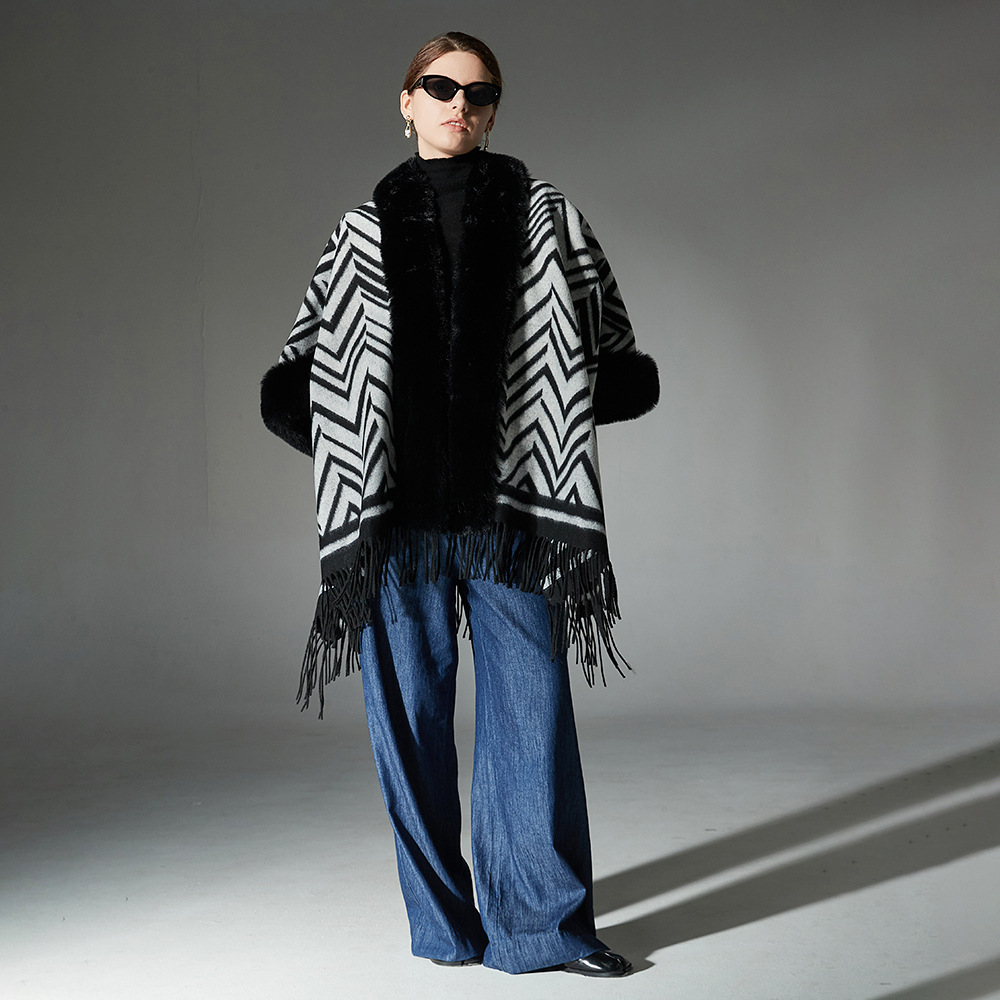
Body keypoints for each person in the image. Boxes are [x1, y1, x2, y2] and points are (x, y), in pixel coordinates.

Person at [261, 31, 658, 977]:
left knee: (532, 715)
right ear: (406, 102)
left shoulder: (548, 217)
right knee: (407, 723)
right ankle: (443, 927)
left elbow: (614, 353)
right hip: (393, 518)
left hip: (512, 514)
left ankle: (543, 929)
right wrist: (346, 437)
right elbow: (302, 365)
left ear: (494, 109)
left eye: (479, 94)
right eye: (439, 88)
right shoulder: (360, 231)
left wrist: (558, 403)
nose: (459, 106)